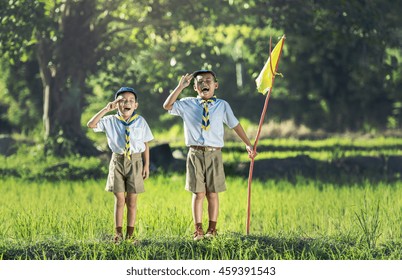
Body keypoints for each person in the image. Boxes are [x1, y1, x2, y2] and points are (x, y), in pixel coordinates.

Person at [163, 70, 256, 240]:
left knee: (212, 193)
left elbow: (235, 125)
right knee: (198, 193)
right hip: (195, 153)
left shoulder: (222, 105)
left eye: (208, 81)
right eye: (200, 82)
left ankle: (212, 230)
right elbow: (167, 106)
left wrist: (248, 144)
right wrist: (179, 87)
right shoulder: (187, 103)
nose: (204, 84)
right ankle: (198, 229)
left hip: (214, 154)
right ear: (195, 87)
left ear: (215, 85)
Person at [87, 87, 154, 243]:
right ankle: (118, 234)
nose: (127, 103)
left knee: (132, 200)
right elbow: (91, 124)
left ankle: (130, 235)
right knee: (119, 199)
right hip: (117, 161)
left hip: (136, 161)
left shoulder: (140, 121)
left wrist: (146, 165)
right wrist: (106, 109)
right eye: (122, 100)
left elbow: (146, 143)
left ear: (136, 105)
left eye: (131, 100)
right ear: (116, 104)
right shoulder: (110, 120)